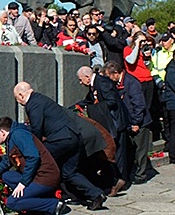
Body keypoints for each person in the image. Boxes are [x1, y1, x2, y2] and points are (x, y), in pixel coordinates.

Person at [14, 82, 107, 211]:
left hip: (60, 140)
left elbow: (36, 129)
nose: (18, 102)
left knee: (40, 162)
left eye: (17, 99)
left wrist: (29, 147)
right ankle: (96, 194)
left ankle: (39, 197)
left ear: (21, 95)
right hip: (74, 137)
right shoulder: (41, 99)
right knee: (69, 173)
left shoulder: (33, 104)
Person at [0, 117, 68, 215]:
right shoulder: (11, 138)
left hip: (45, 177)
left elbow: (33, 157)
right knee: (7, 176)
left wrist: (23, 183)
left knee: (12, 203)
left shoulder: (18, 135)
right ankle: (33, 200)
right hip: (35, 176)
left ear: (3, 132)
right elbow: (6, 163)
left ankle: (54, 205)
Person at [76, 66, 130, 184]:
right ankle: (114, 180)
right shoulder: (95, 84)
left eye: (81, 80)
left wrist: (92, 108)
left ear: (87, 77)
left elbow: (111, 101)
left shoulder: (102, 83)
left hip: (116, 122)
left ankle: (121, 180)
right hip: (109, 121)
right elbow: (90, 99)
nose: (81, 83)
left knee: (119, 153)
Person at [103, 61, 152, 183]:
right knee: (130, 150)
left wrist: (136, 122)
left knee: (140, 150)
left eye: (109, 75)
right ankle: (130, 173)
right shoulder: (118, 83)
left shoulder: (132, 83)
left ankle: (141, 175)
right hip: (128, 121)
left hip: (139, 122)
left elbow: (139, 105)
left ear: (116, 73)